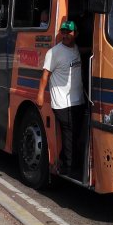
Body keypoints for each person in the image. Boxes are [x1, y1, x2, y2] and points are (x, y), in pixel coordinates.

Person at [36, 20, 85, 176]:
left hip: (78, 100)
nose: (65, 35)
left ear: (75, 34)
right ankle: (69, 167)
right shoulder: (54, 52)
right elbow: (45, 75)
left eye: (69, 32)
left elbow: (81, 51)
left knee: (75, 133)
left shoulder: (75, 48)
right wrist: (40, 95)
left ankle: (67, 162)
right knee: (69, 133)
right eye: (63, 32)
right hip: (62, 102)